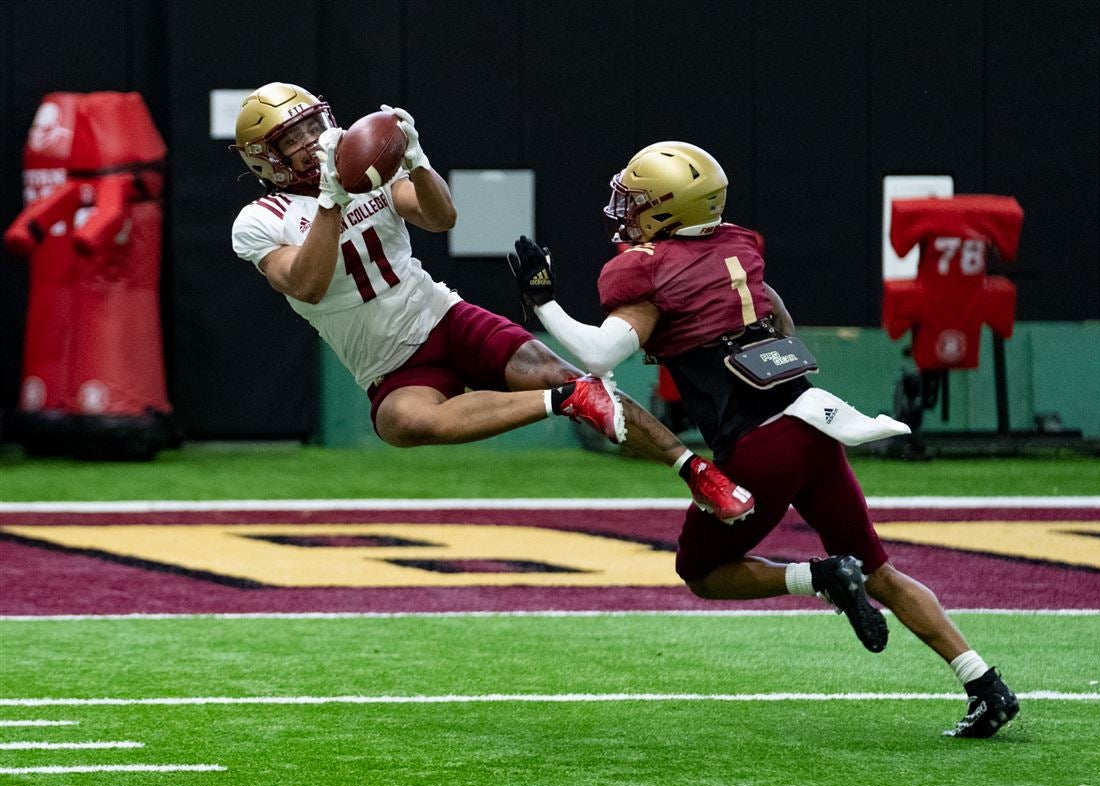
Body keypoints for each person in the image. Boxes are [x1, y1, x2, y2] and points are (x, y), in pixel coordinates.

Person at [508, 141, 1019, 738]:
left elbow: (600, 353)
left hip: (760, 444)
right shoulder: (737, 246)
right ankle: (985, 683)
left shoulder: (649, 268)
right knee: (880, 569)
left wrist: (541, 301)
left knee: (699, 571)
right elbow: (776, 312)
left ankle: (819, 577)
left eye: (638, 201)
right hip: (812, 422)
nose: (625, 211)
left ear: (668, 208)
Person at [228, 84, 752, 522]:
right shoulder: (258, 220)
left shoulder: (366, 173)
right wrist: (329, 202)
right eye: (291, 138)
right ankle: (562, 401)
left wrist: (417, 162)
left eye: (312, 124)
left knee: (563, 372)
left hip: (440, 315)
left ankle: (698, 472)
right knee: (400, 424)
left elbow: (440, 217)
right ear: (263, 157)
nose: (311, 140)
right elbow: (308, 284)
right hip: (385, 361)